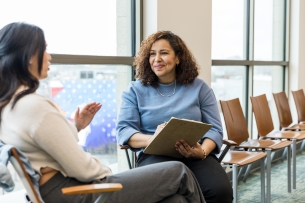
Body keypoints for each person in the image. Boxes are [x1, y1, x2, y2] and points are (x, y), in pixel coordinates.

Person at [0, 22, 206, 203]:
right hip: (78, 193)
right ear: (29, 58)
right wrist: (110, 175)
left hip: (58, 193)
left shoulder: (12, 105)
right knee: (178, 171)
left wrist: (76, 126)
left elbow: (44, 146)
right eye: (44, 49)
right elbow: (83, 169)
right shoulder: (35, 106)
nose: (49, 56)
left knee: (176, 200)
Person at [116, 30, 233, 203]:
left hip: (194, 153)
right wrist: (154, 139)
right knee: (174, 199)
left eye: (164, 53)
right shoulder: (134, 90)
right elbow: (124, 131)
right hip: (154, 156)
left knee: (220, 191)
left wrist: (202, 151)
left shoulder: (200, 88)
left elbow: (215, 129)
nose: (157, 59)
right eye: (152, 54)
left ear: (178, 58)